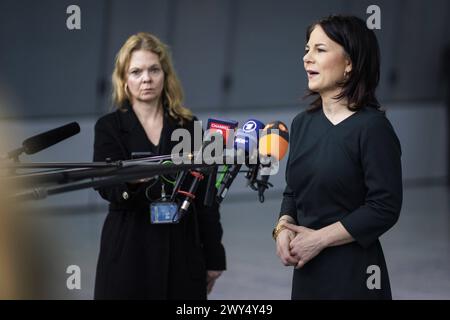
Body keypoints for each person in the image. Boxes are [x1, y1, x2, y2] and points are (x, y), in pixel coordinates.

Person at [273, 15, 402, 299]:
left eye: (320, 50)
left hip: (354, 274)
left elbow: (384, 207)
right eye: (307, 49)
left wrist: (318, 240)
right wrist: (282, 228)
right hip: (307, 272)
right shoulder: (302, 123)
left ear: (349, 64)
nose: (307, 58)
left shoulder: (372, 127)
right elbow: (293, 191)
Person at [93, 32, 226, 299]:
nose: (146, 79)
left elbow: (207, 199)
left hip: (181, 249)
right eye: (136, 71)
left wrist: (214, 256)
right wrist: (132, 182)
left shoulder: (189, 126)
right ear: (124, 80)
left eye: (154, 69)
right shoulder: (110, 127)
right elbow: (106, 186)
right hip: (129, 248)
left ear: (165, 75)